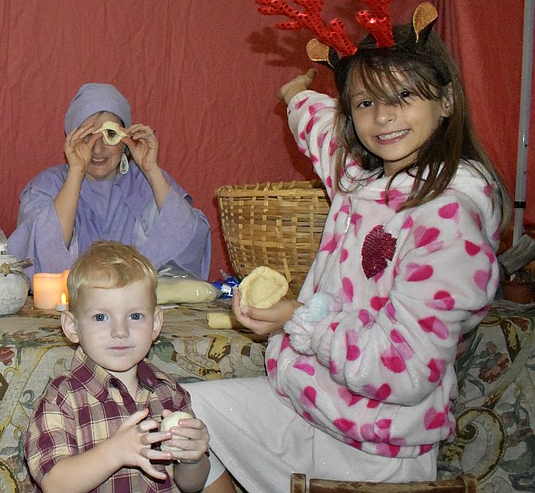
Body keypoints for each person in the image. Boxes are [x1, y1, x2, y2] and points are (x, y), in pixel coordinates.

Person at [187, 24, 511, 492]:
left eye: (403, 95)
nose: (383, 117)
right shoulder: (359, 181)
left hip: (375, 450)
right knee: (181, 416)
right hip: (303, 408)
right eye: (365, 102)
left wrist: (294, 319)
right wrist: (295, 96)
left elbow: (405, 370)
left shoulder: (448, 219)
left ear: (446, 101)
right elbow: (320, 129)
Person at [23, 241, 212, 492]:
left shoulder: (169, 392)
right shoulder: (62, 398)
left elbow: (191, 485)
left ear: (155, 324)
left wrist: (193, 459)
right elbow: (54, 484)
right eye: (101, 317)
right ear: (72, 327)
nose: (120, 331)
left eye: (135, 316)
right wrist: (114, 453)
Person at [8, 83, 211, 280]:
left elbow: (190, 240)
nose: (97, 149)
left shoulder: (146, 183)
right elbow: (43, 253)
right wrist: (76, 172)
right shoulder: (47, 187)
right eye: (87, 136)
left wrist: (151, 169)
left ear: (125, 140)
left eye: (110, 135)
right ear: (71, 140)